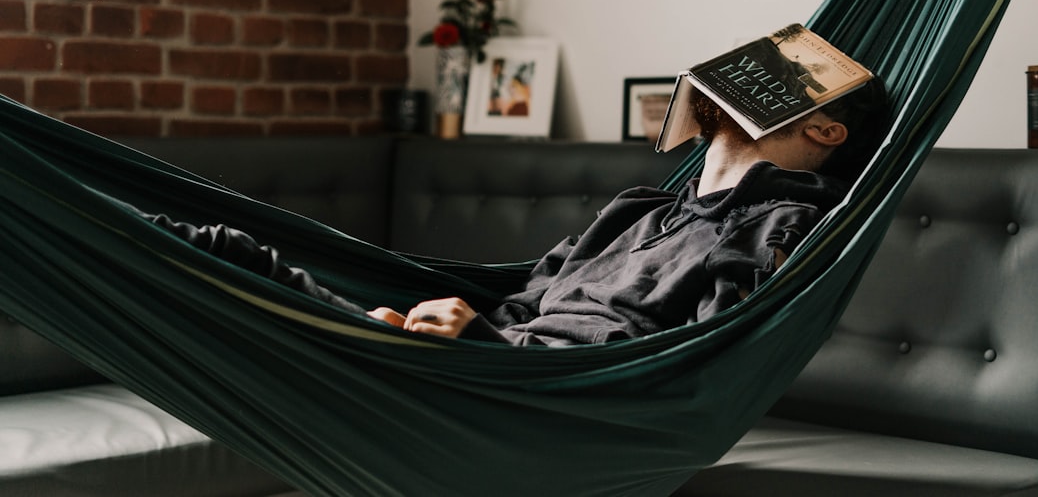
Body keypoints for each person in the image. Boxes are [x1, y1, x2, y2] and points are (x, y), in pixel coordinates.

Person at [138, 76, 886, 347]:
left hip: (549, 404)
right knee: (213, 253)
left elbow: (696, 367)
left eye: (790, 79)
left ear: (825, 129)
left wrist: (493, 354)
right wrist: (459, 326)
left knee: (226, 256)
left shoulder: (783, 228)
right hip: (487, 371)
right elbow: (525, 298)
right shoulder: (638, 208)